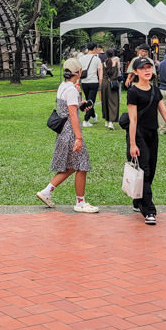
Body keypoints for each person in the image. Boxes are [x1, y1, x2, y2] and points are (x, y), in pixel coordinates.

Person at [125, 57, 166, 225]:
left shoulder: (156, 90)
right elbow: (132, 119)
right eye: (143, 68)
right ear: (136, 72)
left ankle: (138, 200)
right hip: (138, 134)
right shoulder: (133, 92)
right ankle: (149, 211)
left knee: (150, 170)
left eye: (149, 67)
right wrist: (132, 143)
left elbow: (165, 114)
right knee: (144, 169)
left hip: (152, 134)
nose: (147, 70)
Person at [36, 57, 98, 213]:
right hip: (70, 131)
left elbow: (69, 107)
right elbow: (72, 115)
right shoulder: (71, 89)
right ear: (79, 72)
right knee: (81, 166)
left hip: (63, 131)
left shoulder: (63, 86)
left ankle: (46, 191)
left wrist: (79, 104)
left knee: (71, 166)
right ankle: (80, 203)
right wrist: (78, 138)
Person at [78, 43, 102, 127]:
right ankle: (86, 120)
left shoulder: (81, 58)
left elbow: (79, 71)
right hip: (93, 82)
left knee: (89, 100)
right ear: (95, 48)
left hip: (84, 82)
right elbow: (100, 73)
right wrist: (100, 83)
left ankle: (94, 116)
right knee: (91, 101)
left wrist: (78, 81)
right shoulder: (97, 59)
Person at [100, 48, 120, 130]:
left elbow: (101, 76)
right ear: (113, 54)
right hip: (113, 83)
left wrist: (100, 85)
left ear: (106, 55)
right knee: (113, 102)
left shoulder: (103, 63)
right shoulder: (116, 62)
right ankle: (111, 121)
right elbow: (118, 73)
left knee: (104, 101)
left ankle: (106, 120)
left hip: (104, 83)